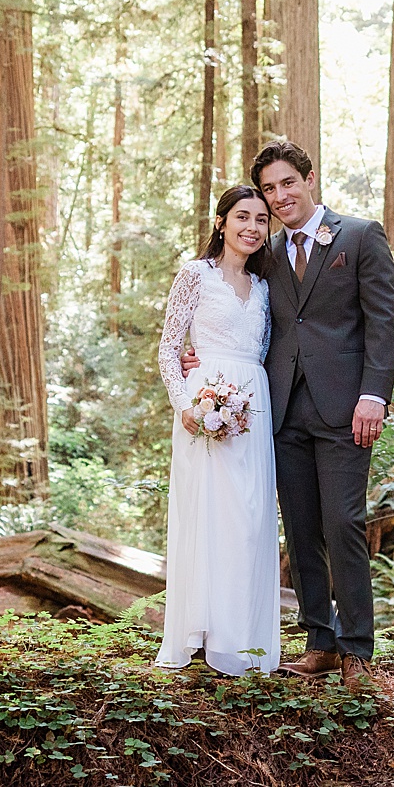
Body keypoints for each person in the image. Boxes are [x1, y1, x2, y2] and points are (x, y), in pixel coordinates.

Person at [223, 140, 394, 684]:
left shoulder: (359, 235)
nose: (279, 197)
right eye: (269, 189)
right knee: (300, 530)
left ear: (310, 179)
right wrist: (201, 356)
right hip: (282, 411)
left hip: (347, 409)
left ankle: (357, 651)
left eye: (287, 184)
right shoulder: (267, 255)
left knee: (343, 521)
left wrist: (376, 393)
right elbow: (246, 318)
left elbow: (383, 322)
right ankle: (319, 641)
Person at [153, 184, 281, 675]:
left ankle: (242, 638)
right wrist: (186, 403)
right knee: (208, 517)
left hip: (255, 405)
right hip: (204, 404)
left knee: (249, 521)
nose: (252, 227)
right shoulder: (195, 275)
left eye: (262, 220)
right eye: (243, 217)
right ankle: (201, 632)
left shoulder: (267, 286)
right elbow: (169, 348)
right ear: (221, 222)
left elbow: (267, 349)